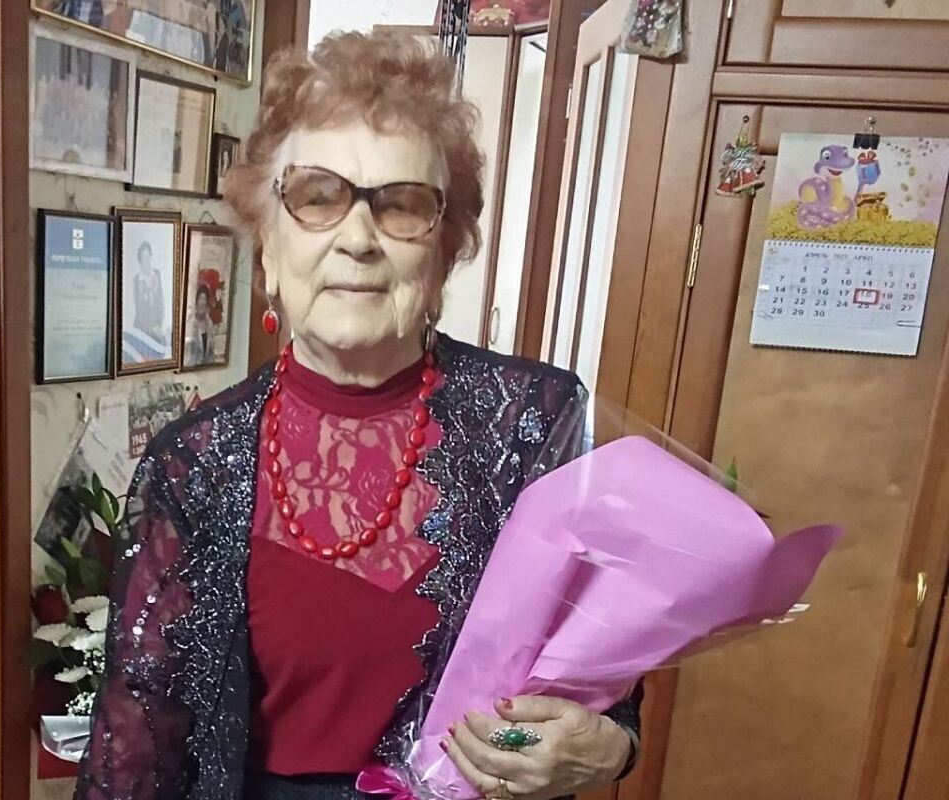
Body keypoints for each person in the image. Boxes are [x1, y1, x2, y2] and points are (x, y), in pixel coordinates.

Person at [74, 31, 641, 800]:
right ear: (267, 245)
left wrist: (611, 746)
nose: (358, 239)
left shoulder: (533, 421)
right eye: (318, 198)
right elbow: (140, 736)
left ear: (443, 251)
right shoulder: (193, 462)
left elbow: (602, 669)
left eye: (402, 206)